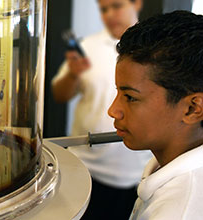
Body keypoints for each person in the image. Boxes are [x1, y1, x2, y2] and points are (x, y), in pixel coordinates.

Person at [52, 0, 152, 219]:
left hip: (134, 173)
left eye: (116, 6)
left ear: (136, 3)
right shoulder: (87, 47)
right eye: (103, 9)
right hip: (85, 166)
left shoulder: (156, 53)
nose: (109, 15)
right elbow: (60, 94)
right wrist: (73, 74)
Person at [108, 10, 203, 219]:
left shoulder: (177, 212)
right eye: (118, 93)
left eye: (130, 97)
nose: (113, 110)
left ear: (193, 108)